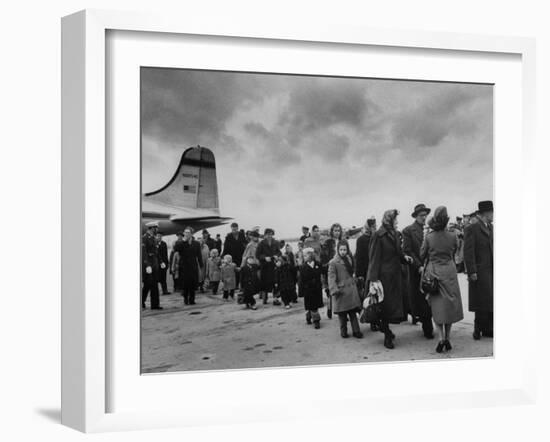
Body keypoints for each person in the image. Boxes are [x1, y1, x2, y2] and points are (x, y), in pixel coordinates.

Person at [367, 210, 414, 349]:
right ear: (390, 220)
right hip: (383, 278)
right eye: (395, 220)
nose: (397, 222)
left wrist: (404, 258)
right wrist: (373, 279)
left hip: (395, 276)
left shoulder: (394, 234)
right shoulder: (378, 235)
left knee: (392, 307)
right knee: (384, 307)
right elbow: (373, 258)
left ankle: (386, 329)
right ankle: (387, 335)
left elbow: (398, 253)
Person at [420, 206, 464, 352]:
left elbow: (422, 254)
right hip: (450, 272)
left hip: (435, 273)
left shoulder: (429, 237)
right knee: (450, 306)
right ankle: (448, 338)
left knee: (438, 307)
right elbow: (456, 250)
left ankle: (440, 338)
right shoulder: (453, 236)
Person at [402, 204, 434, 338]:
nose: (424, 217)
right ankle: (427, 327)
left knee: (432, 297)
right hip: (418, 271)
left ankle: (429, 322)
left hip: (431, 268)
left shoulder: (431, 229)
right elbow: (408, 250)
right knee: (421, 300)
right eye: (421, 215)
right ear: (416, 216)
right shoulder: (408, 231)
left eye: (425, 215)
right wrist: (419, 266)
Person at [464, 200, 494, 340]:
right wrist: (472, 271)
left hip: (491, 270)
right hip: (480, 271)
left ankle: (488, 329)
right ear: (485, 213)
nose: (493, 214)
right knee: (480, 301)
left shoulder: (491, 227)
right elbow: (468, 252)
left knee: (490, 300)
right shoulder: (472, 228)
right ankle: (477, 329)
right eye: (491, 212)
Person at [328, 241, 363, 339]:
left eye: (345, 250)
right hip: (341, 291)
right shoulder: (333, 262)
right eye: (341, 250)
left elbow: (352, 271)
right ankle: (343, 331)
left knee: (353, 312)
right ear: (337, 250)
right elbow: (331, 277)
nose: (343, 252)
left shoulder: (349, 259)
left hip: (350, 290)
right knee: (342, 315)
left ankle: (356, 331)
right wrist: (333, 289)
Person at [174, 227, 203, 305]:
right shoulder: (180, 242)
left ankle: (192, 299)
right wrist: (183, 241)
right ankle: (185, 299)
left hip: (193, 265)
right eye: (185, 232)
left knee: (193, 283)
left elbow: (199, 255)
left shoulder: (196, 243)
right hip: (184, 266)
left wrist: (201, 265)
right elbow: (176, 249)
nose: (186, 234)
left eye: (188, 232)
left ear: (191, 234)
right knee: (185, 283)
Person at [256, 228, 281, 304]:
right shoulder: (261, 243)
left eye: (271, 234)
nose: (269, 236)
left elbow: (279, 252)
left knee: (275, 283)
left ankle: (275, 299)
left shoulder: (276, 242)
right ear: (265, 235)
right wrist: (264, 258)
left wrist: (277, 256)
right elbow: (257, 255)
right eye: (268, 234)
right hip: (265, 266)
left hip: (273, 265)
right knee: (264, 283)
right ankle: (265, 298)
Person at [300, 247, 324, 329]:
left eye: (306, 255)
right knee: (312, 305)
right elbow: (301, 280)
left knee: (314, 305)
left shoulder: (318, 264)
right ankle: (316, 320)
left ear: (311, 255)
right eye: (303, 256)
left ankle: (309, 315)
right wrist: (301, 291)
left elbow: (322, 271)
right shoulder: (303, 267)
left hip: (317, 288)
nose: (304, 257)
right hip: (308, 289)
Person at [141, 221, 163, 310]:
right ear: (151, 228)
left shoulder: (153, 238)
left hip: (154, 264)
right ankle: (141, 301)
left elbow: (156, 252)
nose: (157, 230)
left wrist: (161, 261)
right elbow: (144, 253)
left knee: (154, 285)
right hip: (148, 266)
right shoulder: (144, 238)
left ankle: (155, 305)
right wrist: (147, 265)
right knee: (147, 285)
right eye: (155, 228)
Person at [222, 223, 247, 290]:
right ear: (231, 228)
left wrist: (246, 254)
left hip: (240, 255)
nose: (234, 229)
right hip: (232, 256)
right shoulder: (228, 236)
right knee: (232, 271)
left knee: (239, 270)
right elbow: (225, 247)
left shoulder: (241, 235)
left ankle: (238, 285)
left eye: (235, 227)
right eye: (233, 228)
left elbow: (245, 244)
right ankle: (234, 285)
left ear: (237, 228)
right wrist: (223, 256)